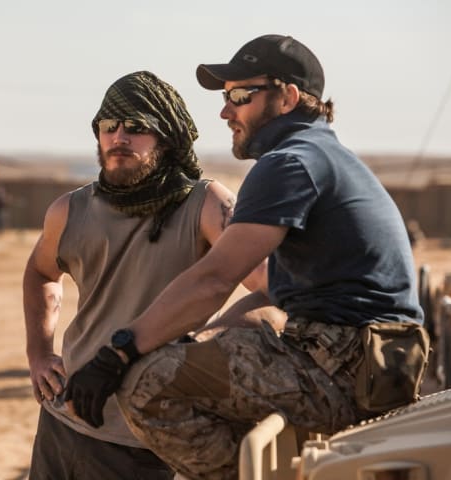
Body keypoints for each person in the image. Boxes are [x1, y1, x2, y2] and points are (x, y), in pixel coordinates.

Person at [64, 35, 428, 479]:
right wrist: (201, 337)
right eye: (225, 97)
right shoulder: (321, 154)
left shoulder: (290, 163)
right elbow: (271, 290)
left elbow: (215, 278)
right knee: (198, 358)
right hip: (376, 361)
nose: (225, 112)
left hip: (348, 365)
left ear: (288, 97)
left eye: (240, 96)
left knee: (148, 383)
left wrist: (118, 352)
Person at [23, 70, 269, 479]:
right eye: (109, 125)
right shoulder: (70, 210)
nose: (119, 137)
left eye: (136, 128)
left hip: (144, 435)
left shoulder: (206, 205)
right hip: (63, 421)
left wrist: (206, 342)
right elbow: (40, 273)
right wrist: (38, 353)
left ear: (166, 138)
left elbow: (272, 286)